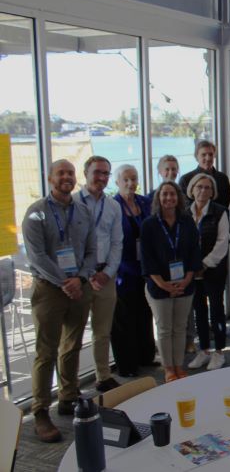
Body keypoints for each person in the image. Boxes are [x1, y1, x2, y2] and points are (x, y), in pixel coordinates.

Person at [23, 160, 97, 443]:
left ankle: (68, 395)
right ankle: (40, 410)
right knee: (46, 351)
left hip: (79, 286)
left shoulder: (83, 211)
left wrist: (79, 279)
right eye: (60, 173)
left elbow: (92, 251)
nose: (66, 177)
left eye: (69, 173)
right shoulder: (36, 213)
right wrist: (64, 282)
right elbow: (37, 256)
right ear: (50, 178)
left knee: (73, 344)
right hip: (50, 290)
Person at [141, 181, 202, 382]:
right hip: (159, 288)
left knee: (180, 327)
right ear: (158, 198)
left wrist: (186, 280)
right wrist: (163, 284)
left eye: (172, 194)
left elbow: (195, 251)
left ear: (179, 197)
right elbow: (147, 258)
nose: (169, 198)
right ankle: (168, 368)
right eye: (164, 194)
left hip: (185, 285)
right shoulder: (149, 224)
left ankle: (179, 365)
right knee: (165, 329)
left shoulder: (187, 221)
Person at [74, 156, 123, 393]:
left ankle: (103, 376)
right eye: (98, 173)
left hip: (106, 275)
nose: (102, 178)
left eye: (106, 173)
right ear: (86, 173)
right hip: (79, 279)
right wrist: (87, 274)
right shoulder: (72, 203)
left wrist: (108, 272)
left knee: (102, 331)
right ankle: (69, 388)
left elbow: (117, 243)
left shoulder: (113, 206)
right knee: (72, 335)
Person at [112, 165, 157, 377]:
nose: (130, 183)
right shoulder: (114, 205)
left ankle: (146, 356)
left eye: (134, 179)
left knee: (144, 313)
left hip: (144, 269)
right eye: (126, 179)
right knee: (124, 320)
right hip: (123, 270)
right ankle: (127, 365)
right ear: (117, 182)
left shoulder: (145, 202)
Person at [185, 174, 230, 371]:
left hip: (213, 271)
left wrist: (203, 264)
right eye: (199, 187)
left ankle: (219, 352)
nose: (203, 191)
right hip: (192, 274)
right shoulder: (185, 213)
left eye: (207, 188)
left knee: (217, 311)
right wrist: (191, 268)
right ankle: (203, 350)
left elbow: (222, 243)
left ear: (212, 192)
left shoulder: (220, 211)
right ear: (192, 189)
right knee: (199, 312)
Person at [179, 140, 230, 207]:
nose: (208, 158)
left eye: (211, 154)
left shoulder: (223, 178)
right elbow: (184, 206)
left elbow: (227, 203)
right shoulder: (185, 180)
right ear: (196, 157)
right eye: (203, 155)